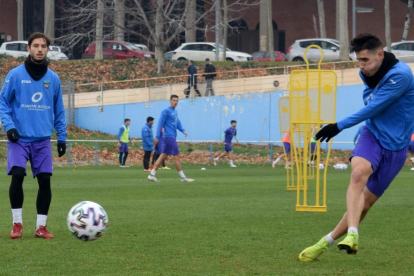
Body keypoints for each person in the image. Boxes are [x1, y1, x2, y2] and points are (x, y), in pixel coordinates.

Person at [299, 34, 414, 262]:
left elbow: (374, 106)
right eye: (359, 60)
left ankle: (326, 242)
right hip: (372, 134)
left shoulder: (401, 75)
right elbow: (371, 108)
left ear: (380, 55)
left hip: (397, 147)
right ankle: (353, 234)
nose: (361, 66)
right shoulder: (366, 73)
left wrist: (338, 126)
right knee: (358, 173)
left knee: (366, 204)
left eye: (365, 60)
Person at [0, 32, 67, 239]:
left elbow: (59, 110)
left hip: (42, 140)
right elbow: (2, 103)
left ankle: (41, 227)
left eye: (43, 46)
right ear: (28, 49)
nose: (40, 49)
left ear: (47, 50)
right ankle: (17, 224)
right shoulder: (15, 75)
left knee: (45, 181)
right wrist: (9, 126)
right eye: (36, 45)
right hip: (18, 139)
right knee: (18, 175)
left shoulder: (53, 79)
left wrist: (62, 136)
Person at [148, 95, 194, 183]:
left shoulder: (175, 112)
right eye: (174, 100)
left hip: (171, 137)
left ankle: (151, 175)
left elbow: (178, 122)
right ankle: (183, 178)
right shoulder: (166, 111)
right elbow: (160, 123)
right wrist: (157, 136)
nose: (175, 102)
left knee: (163, 155)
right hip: (169, 137)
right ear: (170, 101)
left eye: (177, 101)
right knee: (176, 156)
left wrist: (183, 130)